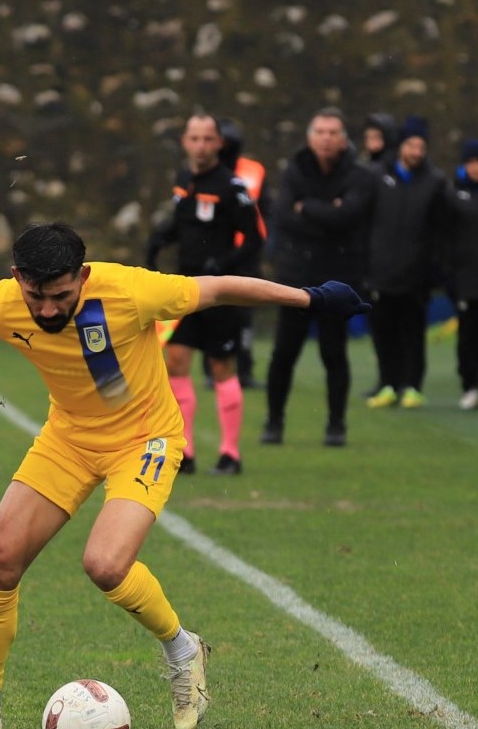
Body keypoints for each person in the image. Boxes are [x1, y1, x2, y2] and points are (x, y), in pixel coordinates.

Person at [0, 221, 370, 729]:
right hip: (68, 440)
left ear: (82, 275)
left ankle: (183, 649)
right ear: (17, 279)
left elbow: (217, 289)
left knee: (105, 564)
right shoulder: (2, 302)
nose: (49, 310)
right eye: (37, 296)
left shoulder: (130, 291)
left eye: (61, 296)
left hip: (145, 440)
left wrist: (308, 298)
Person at [146, 113, 264, 474]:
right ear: (185, 142)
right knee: (176, 363)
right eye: (194, 138)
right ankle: (187, 452)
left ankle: (231, 453)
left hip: (219, 293)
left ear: (218, 144)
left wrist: (222, 264)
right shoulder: (184, 179)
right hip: (184, 290)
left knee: (220, 365)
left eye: (207, 139)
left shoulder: (231, 186)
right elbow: (183, 223)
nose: (200, 145)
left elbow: (255, 237)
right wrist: (160, 239)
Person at [261, 107, 378, 446]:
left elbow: (349, 218)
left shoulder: (358, 175)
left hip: (337, 278)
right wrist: (328, 212)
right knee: (284, 353)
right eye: (320, 132)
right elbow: (283, 216)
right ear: (310, 137)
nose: (326, 139)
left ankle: (336, 425)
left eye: (333, 133)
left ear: (344, 140)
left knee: (334, 353)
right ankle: (273, 422)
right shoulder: (295, 171)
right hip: (296, 276)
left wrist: (308, 208)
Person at [364, 114, 451, 409]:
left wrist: (434, 269)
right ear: (401, 145)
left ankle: (412, 386)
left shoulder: (435, 181)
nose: (416, 152)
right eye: (411, 145)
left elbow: (441, 230)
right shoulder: (377, 176)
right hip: (380, 271)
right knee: (383, 332)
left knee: (413, 334)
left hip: (417, 274)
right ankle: (387, 384)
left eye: (421, 147)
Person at [217, 117, 270, 391]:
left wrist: (261, 240)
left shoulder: (254, 170)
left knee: (245, 315)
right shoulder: (207, 174)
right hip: (218, 252)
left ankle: (245, 369)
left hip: (247, 252)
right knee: (215, 309)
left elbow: (267, 208)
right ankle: (214, 368)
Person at [447, 139, 478, 410]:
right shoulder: (453, 195)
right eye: (472, 163)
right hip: (466, 279)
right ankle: (469, 384)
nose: (477, 168)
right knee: (468, 335)